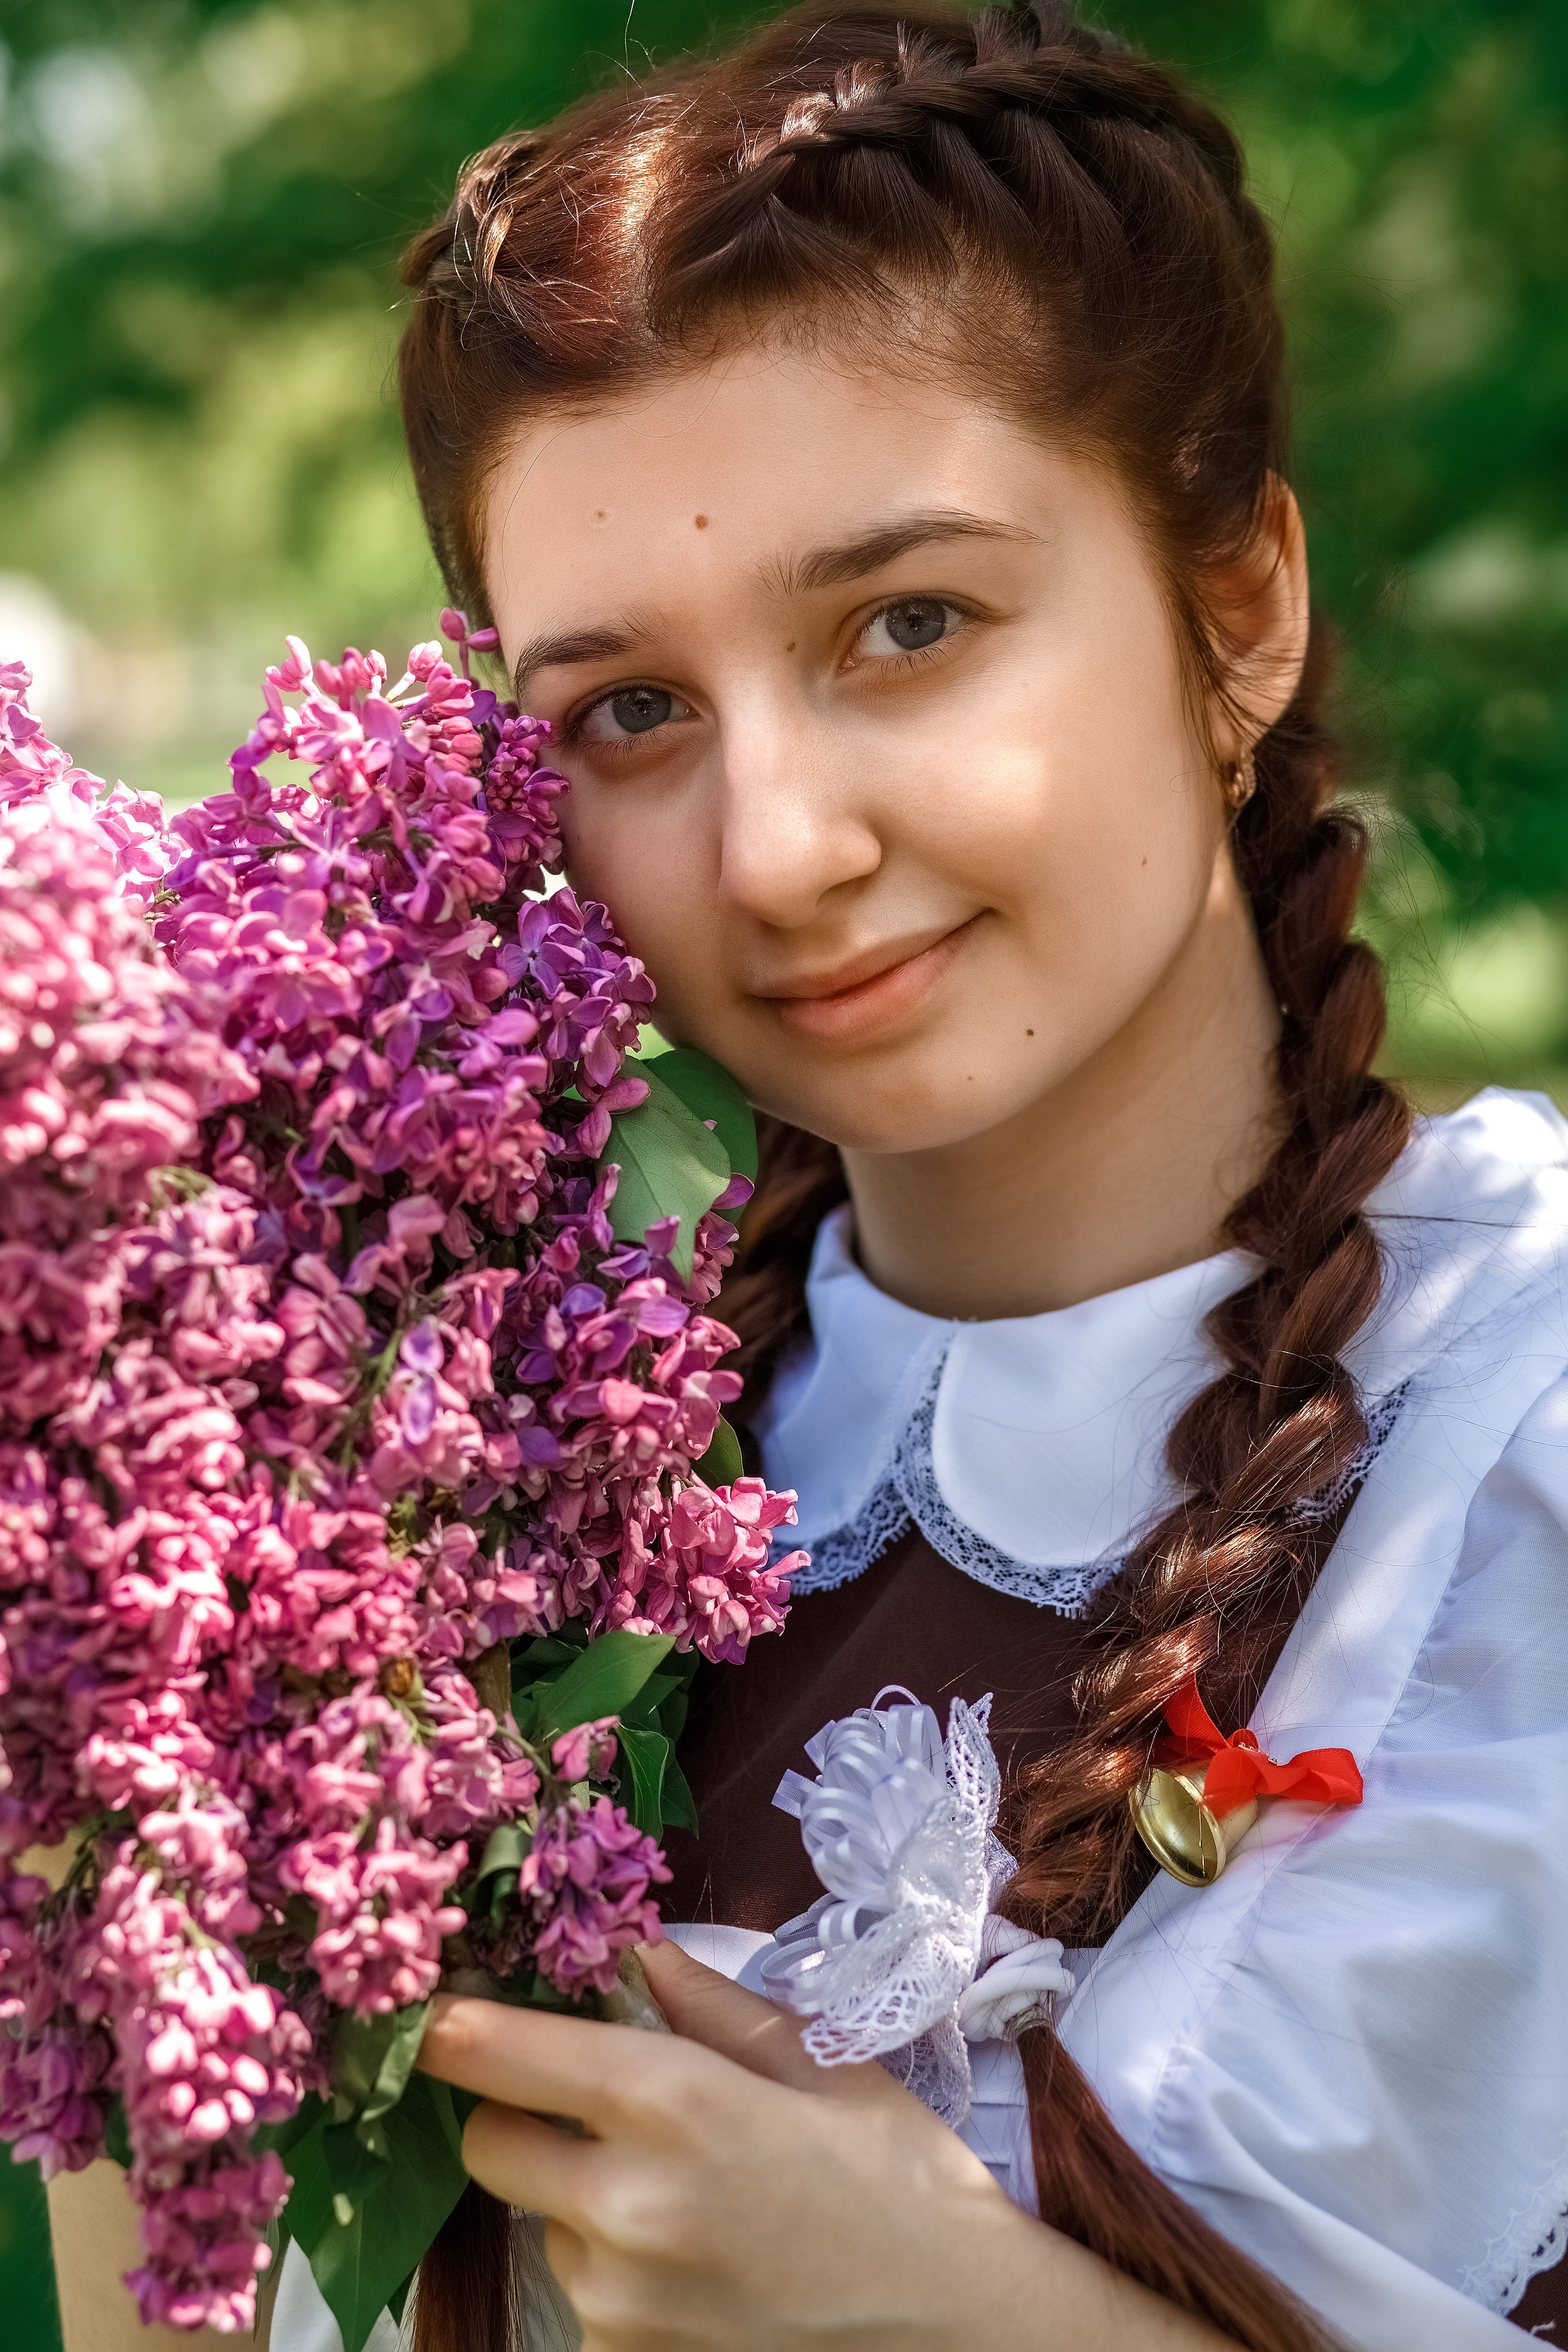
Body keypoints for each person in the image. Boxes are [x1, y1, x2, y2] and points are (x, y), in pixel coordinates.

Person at [44, 4, 1568, 2348]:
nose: (778, 849)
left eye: (908, 625)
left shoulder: (1517, 1427)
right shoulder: (437, 1485)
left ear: (1240, 605)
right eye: (630, 712)